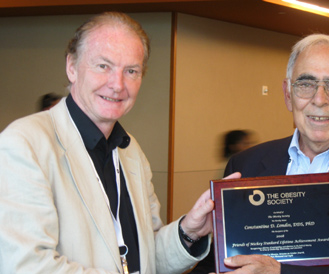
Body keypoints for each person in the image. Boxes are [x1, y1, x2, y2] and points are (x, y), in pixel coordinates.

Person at [0, 12, 239, 274]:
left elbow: (147, 257)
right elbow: (25, 265)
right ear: (71, 66)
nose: (117, 85)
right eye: (103, 66)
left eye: (131, 71)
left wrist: (188, 231)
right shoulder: (24, 144)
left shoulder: (130, 150)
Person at [191, 34, 329, 273]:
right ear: (287, 93)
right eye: (306, 84)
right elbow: (217, 262)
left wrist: (281, 272)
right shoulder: (245, 165)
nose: (319, 99)